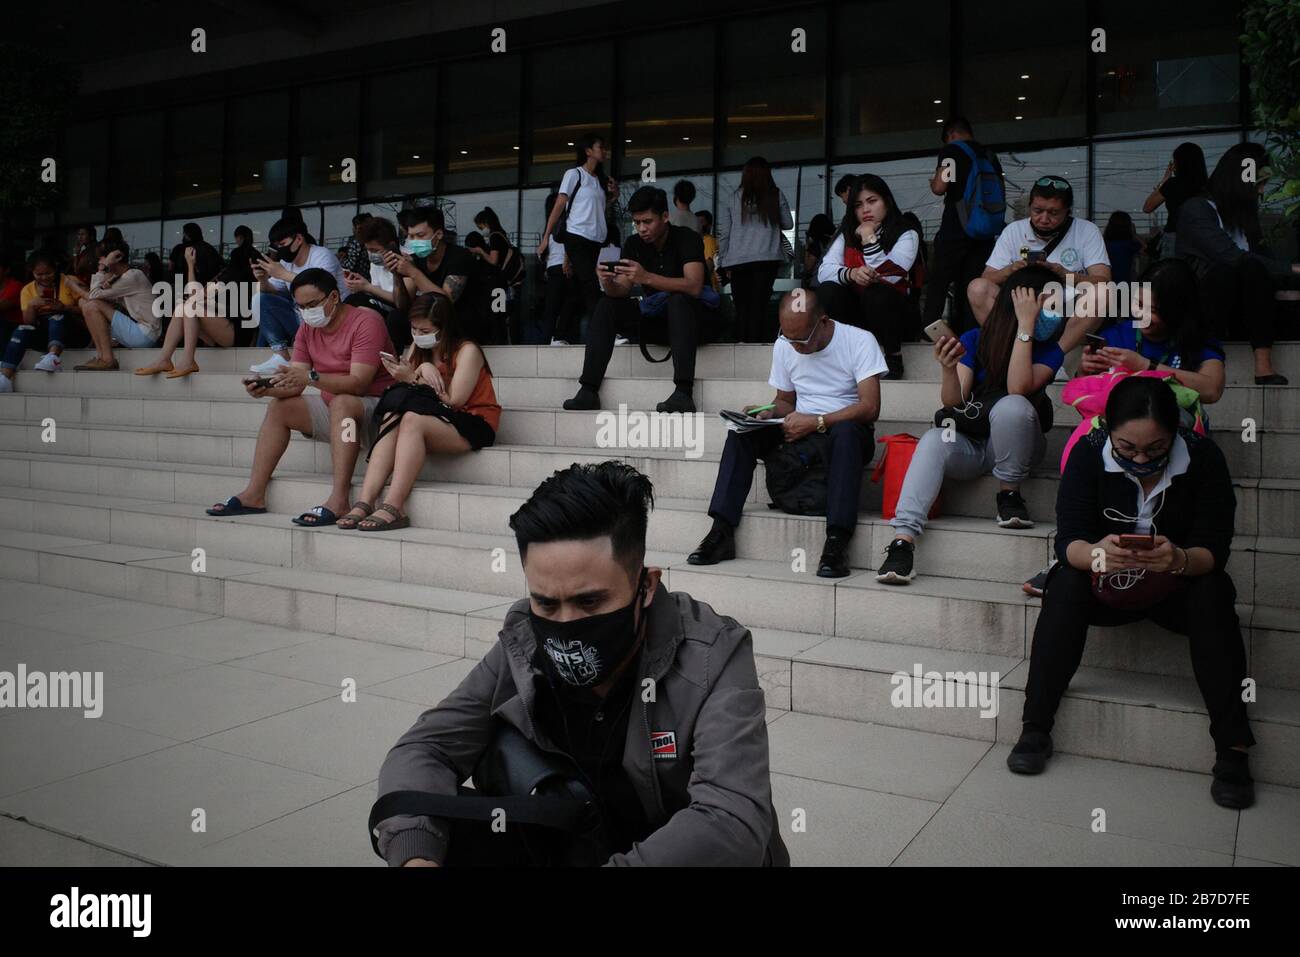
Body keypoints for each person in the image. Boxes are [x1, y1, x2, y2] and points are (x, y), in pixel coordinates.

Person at [372, 460, 788, 866]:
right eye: (546, 603)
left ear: (646, 586)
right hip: (578, 838)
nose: (566, 624)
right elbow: (426, 747)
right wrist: (415, 853)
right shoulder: (523, 642)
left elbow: (731, 823)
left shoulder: (713, 653)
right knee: (429, 820)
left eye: (590, 601)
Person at [1008, 377, 1254, 810]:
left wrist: (1178, 559)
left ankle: (1232, 748)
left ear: (1176, 432)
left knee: (1213, 593)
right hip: (1106, 588)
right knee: (1064, 583)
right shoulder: (1088, 454)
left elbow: (1214, 550)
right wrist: (1096, 556)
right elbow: (1068, 541)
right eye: (1128, 449)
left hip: (1174, 590)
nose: (1141, 458)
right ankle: (1035, 726)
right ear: (1109, 431)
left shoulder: (1203, 459)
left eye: (1155, 449)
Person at [1021, 258, 1226, 598]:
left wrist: (1146, 366)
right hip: (1116, 434)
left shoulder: (1197, 341)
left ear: (1179, 309)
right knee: (1085, 442)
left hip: (1175, 433)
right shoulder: (1121, 332)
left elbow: (1212, 388)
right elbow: (1092, 388)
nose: (1142, 313)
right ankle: (1075, 551)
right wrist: (1086, 369)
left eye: (1154, 308)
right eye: (1139, 302)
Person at [877, 266, 1065, 585]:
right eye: (1051, 305)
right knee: (935, 439)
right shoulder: (976, 339)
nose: (1057, 314)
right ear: (1022, 303)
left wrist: (1025, 328)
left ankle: (1008, 495)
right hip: (975, 445)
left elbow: (1019, 388)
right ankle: (902, 541)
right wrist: (949, 369)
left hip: (1020, 447)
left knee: (1013, 406)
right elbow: (954, 403)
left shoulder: (1048, 349)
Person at [688, 292, 887, 578]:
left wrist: (817, 421)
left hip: (846, 431)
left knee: (846, 434)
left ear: (824, 322)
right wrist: (768, 411)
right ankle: (721, 530)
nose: (795, 346)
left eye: (802, 340)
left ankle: (837, 541)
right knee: (741, 433)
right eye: (788, 337)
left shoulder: (858, 341)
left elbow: (870, 407)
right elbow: (785, 400)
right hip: (800, 427)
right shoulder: (785, 345)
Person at [205, 269, 396, 527]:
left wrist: (310, 378)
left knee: (343, 401)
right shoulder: (307, 328)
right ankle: (254, 493)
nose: (307, 312)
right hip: (340, 414)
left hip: (377, 414)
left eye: (313, 304)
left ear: (334, 296)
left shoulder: (366, 322)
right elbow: (295, 382)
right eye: (301, 306)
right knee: (281, 407)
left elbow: (359, 384)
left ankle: (339, 499)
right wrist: (267, 388)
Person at [337, 291, 500, 532]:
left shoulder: (467, 351)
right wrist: (419, 368)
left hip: (472, 419)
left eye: (425, 331)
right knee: (394, 415)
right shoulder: (418, 347)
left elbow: (454, 401)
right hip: (435, 416)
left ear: (444, 328)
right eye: (414, 330)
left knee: (411, 420)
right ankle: (365, 500)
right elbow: (407, 390)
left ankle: (394, 505)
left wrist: (414, 376)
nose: (418, 336)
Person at [561, 186, 709, 415]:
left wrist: (646, 277)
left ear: (665, 217)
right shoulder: (633, 244)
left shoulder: (686, 238)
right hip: (657, 322)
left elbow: (694, 285)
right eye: (637, 222)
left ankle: (683, 391)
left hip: (694, 322)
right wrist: (608, 282)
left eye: (647, 221)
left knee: (679, 301)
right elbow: (620, 291)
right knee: (607, 305)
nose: (642, 229)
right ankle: (588, 389)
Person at [1176, 142, 1300, 385]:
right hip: (1204, 311)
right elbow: (1231, 257)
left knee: (1257, 269)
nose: (1263, 191)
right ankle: (1199, 361)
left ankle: (1263, 366)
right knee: (1239, 267)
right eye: (1260, 183)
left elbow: (1266, 262)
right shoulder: (1196, 209)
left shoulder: (1244, 221)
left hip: (1246, 310)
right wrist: (1292, 269)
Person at [967, 175, 1110, 327]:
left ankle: (1059, 350)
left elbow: (1104, 281)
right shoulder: (1013, 231)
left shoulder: (1086, 230)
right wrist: (1011, 270)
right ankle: (1006, 345)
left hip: (1067, 311)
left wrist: (1064, 275)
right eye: (1037, 210)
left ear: (1067, 211)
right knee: (977, 288)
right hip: (1020, 308)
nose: (1044, 219)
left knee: (1103, 293)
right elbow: (987, 278)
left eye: (1053, 213)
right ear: (1030, 206)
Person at [816, 174, 922, 379]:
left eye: (872, 201)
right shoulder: (847, 232)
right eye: (858, 205)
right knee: (828, 290)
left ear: (887, 201)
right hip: (862, 316)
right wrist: (851, 273)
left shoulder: (906, 232)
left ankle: (893, 358)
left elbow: (889, 274)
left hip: (896, 317)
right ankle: (841, 356)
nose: (865, 209)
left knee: (877, 291)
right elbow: (824, 272)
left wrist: (868, 235)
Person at [923, 117, 1004, 334]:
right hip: (984, 230)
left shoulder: (953, 151)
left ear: (951, 135)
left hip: (957, 226)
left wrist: (934, 181)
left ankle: (928, 328)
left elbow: (941, 186)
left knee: (940, 278)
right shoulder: (990, 155)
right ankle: (968, 331)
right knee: (972, 282)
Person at [248, 216, 350, 376]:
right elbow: (269, 291)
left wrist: (282, 274)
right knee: (259, 299)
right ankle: (281, 356)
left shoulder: (321, 255)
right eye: (277, 246)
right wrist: (262, 279)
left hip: (332, 319)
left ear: (299, 239)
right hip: (304, 320)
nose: (280, 249)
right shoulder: (288, 263)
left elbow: (321, 287)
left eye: (283, 244)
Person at [538, 134, 619, 334]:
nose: (604, 151)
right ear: (588, 151)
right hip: (577, 237)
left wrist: (614, 194)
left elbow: (598, 207)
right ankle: (607, 332)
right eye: (601, 147)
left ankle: (563, 334)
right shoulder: (574, 174)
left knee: (598, 284)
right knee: (592, 284)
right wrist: (546, 237)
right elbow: (559, 206)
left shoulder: (600, 180)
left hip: (597, 240)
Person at [134, 234, 235, 379]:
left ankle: (187, 360)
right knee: (182, 307)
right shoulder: (206, 279)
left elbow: (194, 296)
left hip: (230, 332)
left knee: (189, 306)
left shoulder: (226, 275)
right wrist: (190, 266)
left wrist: (190, 265)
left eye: (196, 264)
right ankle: (164, 358)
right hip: (213, 335)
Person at [717, 156, 793, 342]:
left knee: (742, 306)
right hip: (767, 259)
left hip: (738, 261)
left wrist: (724, 261)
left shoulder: (734, 197)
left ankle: (741, 344)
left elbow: (725, 233)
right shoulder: (775, 194)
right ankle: (757, 344)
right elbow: (788, 223)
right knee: (760, 305)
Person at [386, 206, 475, 352]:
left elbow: (445, 302)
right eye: (411, 236)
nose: (414, 241)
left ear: (438, 234)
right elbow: (402, 304)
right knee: (396, 317)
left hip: (459, 321)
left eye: (420, 235)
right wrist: (397, 275)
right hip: (426, 323)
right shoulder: (416, 259)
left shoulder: (459, 257)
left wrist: (414, 272)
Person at [63, 238, 159, 370]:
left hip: (145, 334)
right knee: (86, 304)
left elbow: (93, 296)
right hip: (140, 332)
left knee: (92, 304)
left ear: (117, 257)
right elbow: (97, 295)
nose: (99, 262)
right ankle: (101, 356)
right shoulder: (121, 277)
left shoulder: (132, 276)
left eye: (102, 258)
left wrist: (72, 285)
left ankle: (107, 359)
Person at [1, 253, 82, 391]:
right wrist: (32, 306)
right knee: (22, 328)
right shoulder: (28, 289)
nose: (44, 277)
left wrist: (65, 307)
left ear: (55, 269)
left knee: (56, 317)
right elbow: (28, 322)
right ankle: (5, 377)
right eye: (39, 274)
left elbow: (88, 308)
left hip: (72, 331)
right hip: (44, 333)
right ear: (32, 272)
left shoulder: (68, 281)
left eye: (48, 273)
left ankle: (53, 357)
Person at [1143, 142, 1208, 259]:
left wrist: (1165, 178)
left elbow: (1147, 207)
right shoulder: (1207, 187)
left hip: (1175, 236)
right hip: (1202, 236)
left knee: (1172, 273)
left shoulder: (1173, 184)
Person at [470, 206, 525, 344]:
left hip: (499, 284)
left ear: (486, 223)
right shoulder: (501, 234)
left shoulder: (495, 236)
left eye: (481, 226)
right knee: (502, 313)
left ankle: (501, 342)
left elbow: (494, 261)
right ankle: (506, 340)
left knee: (498, 314)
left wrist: (481, 252)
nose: (482, 230)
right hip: (505, 283)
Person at [539, 192, 580, 345]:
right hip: (562, 267)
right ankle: (558, 336)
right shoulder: (564, 223)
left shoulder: (548, 228)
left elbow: (543, 252)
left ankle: (548, 338)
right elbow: (568, 245)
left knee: (553, 306)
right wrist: (566, 262)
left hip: (553, 268)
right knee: (568, 302)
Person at [342, 216, 401, 319]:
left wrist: (367, 287)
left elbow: (401, 302)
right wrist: (361, 284)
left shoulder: (404, 263)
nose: (371, 254)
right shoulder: (375, 263)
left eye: (375, 250)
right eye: (368, 250)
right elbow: (377, 292)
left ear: (391, 245)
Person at [1102, 211, 1142, 287]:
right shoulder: (1129, 244)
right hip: (1125, 282)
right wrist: (1134, 234)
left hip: (1108, 282)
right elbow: (1146, 250)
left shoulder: (1104, 244)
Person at [801, 213, 836, 290]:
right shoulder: (834, 242)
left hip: (817, 284)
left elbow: (809, 267)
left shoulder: (816, 244)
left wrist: (807, 248)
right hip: (832, 282)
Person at [697, 209, 721, 292]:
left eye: (701, 222)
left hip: (707, 290)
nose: (698, 225)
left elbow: (708, 265)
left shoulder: (708, 240)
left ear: (709, 225)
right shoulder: (698, 241)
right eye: (696, 222)